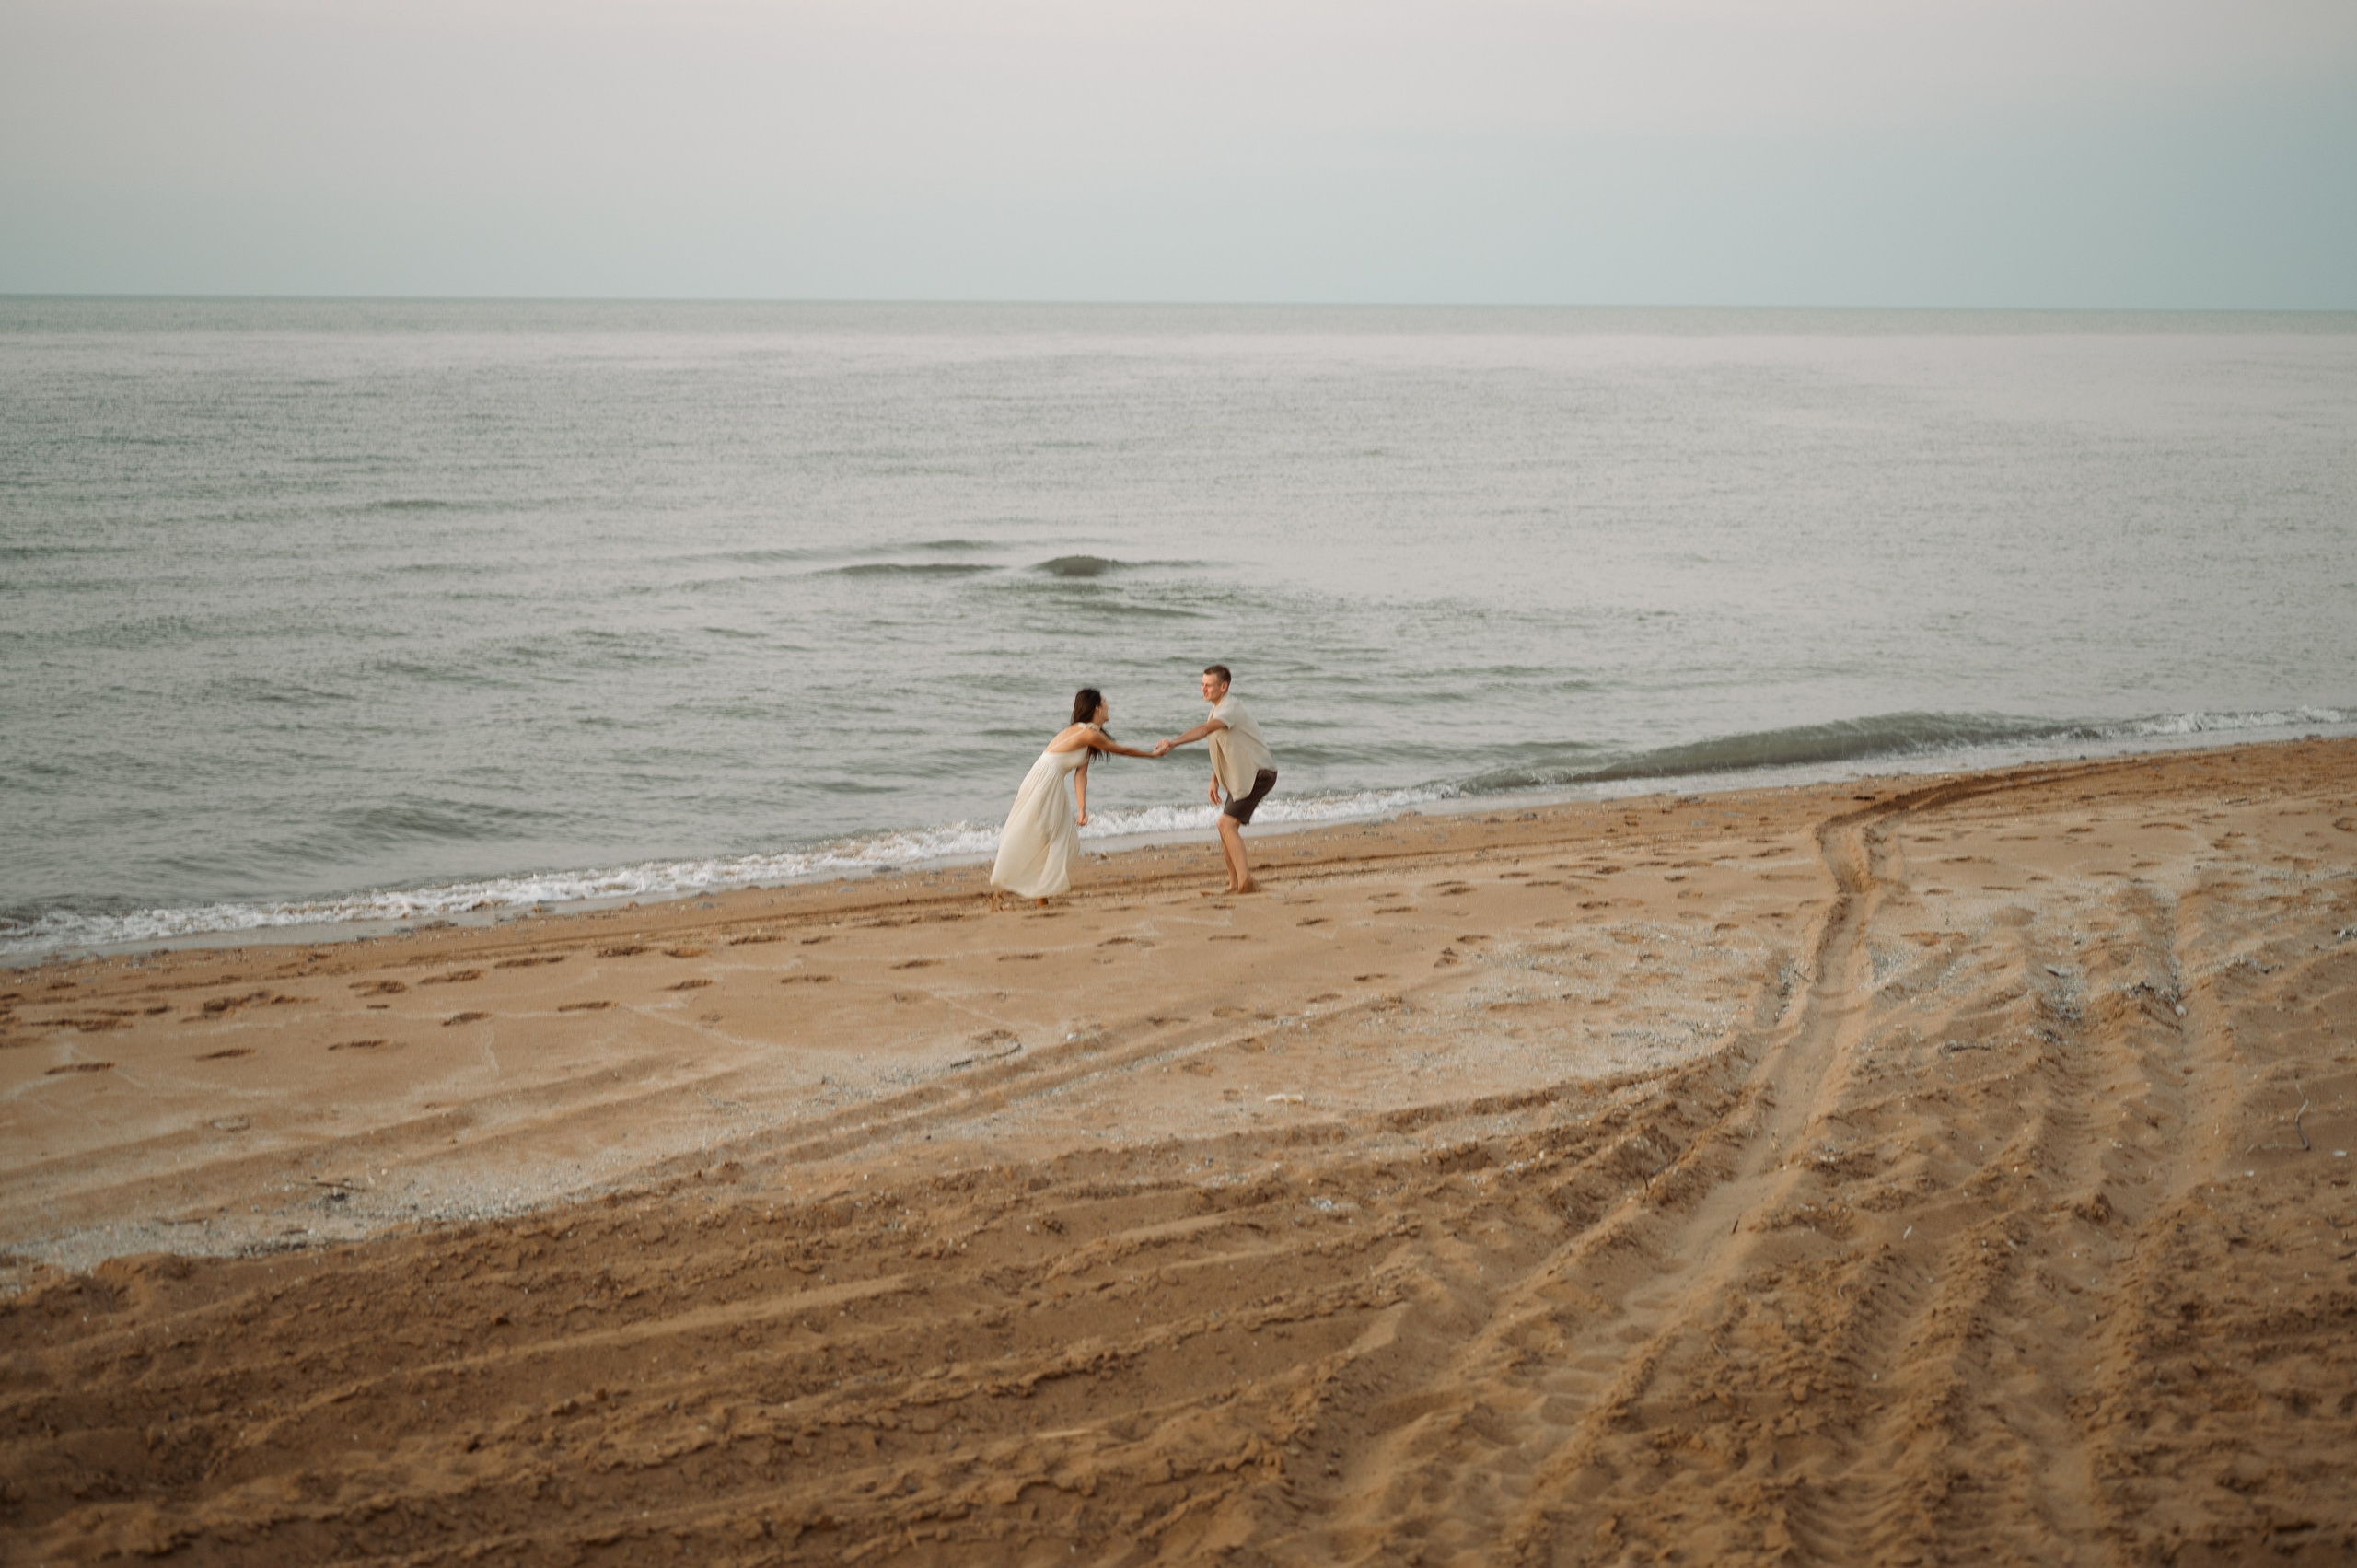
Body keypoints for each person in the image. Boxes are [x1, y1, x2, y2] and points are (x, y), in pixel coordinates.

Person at [989, 688, 1157, 908]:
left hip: (1048, 781)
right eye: (1105, 702)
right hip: (1044, 782)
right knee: (1045, 835)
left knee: (1061, 838)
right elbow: (1121, 750)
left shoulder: (1086, 734)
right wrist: (1152, 754)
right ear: (1097, 708)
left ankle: (1039, 893)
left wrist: (1082, 808)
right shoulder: (1088, 734)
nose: (1108, 706)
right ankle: (1024, 886)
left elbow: (1081, 774)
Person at [1152, 664, 1277, 894]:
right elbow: (1225, 747)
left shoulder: (1230, 709)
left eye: (1208, 685)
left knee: (1225, 824)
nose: (1203, 689)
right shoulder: (1218, 709)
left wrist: (1173, 742)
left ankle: (1246, 883)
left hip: (1258, 774)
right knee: (1225, 828)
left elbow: (1204, 730)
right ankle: (1234, 884)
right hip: (1242, 777)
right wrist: (1215, 779)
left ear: (1223, 686)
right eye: (1202, 684)